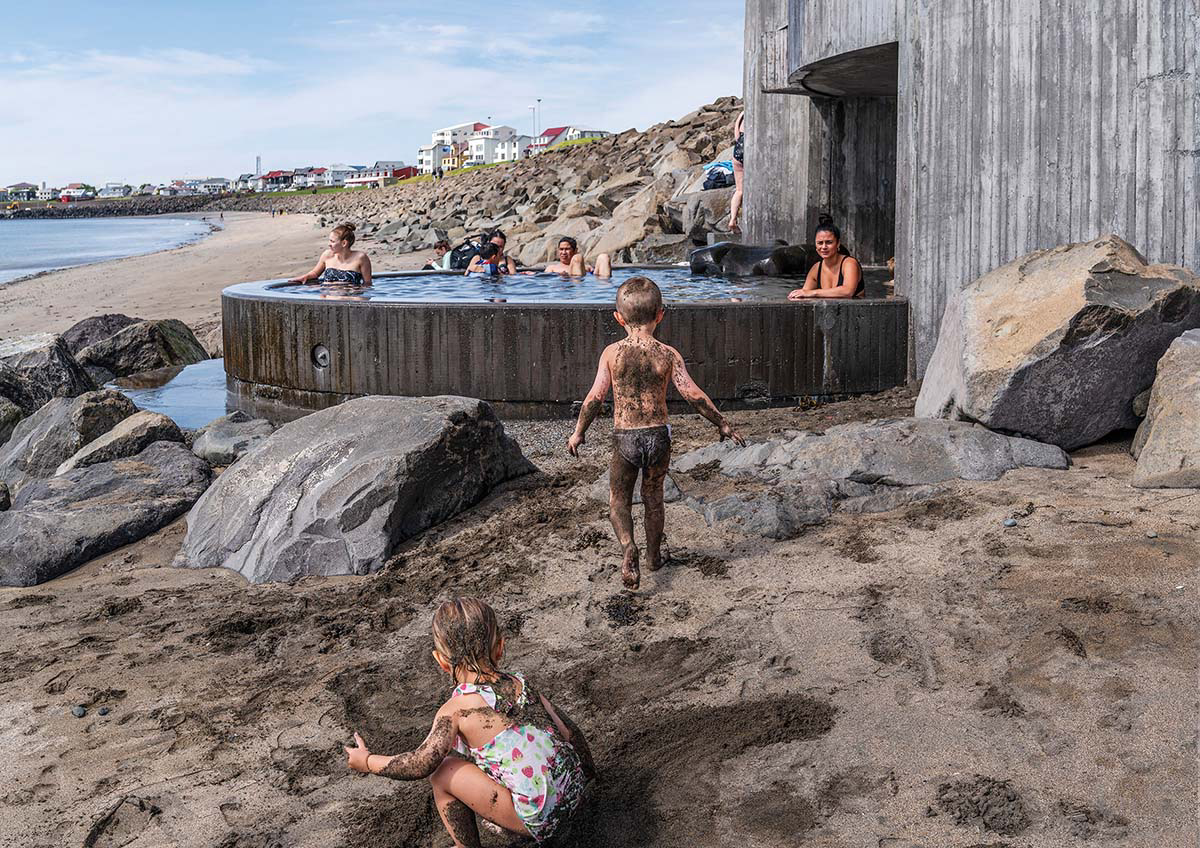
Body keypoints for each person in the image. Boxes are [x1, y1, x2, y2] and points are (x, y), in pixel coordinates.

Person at [344, 598, 596, 847]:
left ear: (442, 661)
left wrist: (366, 762)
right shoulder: (521, 683)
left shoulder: (456, 710)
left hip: (542, 818)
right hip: (574, 791)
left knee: (443, 772)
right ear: (499, 647)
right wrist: (590, 778)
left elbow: (420, 764)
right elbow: (570, 731)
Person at [567, 276, 745, 590]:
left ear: (618, 318)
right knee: (654, 500)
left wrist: (579, 432)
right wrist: (722, 424)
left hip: (626, 438)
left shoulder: (612, 354)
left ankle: (627, 548)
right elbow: (694, 395)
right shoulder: (667, 354)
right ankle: (652, 558)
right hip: (658, 437)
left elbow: (595, 398)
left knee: (618, 501)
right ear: (660, 314)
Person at [787, 216, 862, 299]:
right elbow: (804, 293)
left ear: (838, 243)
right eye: (820, 243)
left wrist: (813, 292)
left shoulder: (849, 263)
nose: (824, 247)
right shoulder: (816, 269)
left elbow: (848, 291)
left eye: (829, 242)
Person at [289, 222, 373, 286]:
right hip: (328, 299)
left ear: (344, 243)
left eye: (332, 241)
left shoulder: (361, 258)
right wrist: (305, 277)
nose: (329, 244)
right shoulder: (327, 255)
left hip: (350, 300)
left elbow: (367, 284)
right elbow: (315, 273)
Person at [544, 236, 612, 277]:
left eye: (567, 249)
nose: (563, 253)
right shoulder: (552, 268)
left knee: (604, 257)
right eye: (561, 249)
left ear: (575, 251)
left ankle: (605, 289)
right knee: (577, 258)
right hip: (573, 287)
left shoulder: (587, 267)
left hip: (591, 285)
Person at [728, 110, 745, 233]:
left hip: (738, 149)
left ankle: (733, 219)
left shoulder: (742, 114)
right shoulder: (756, 112)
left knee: (739, 190)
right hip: (748, 147)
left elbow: (736, 135)